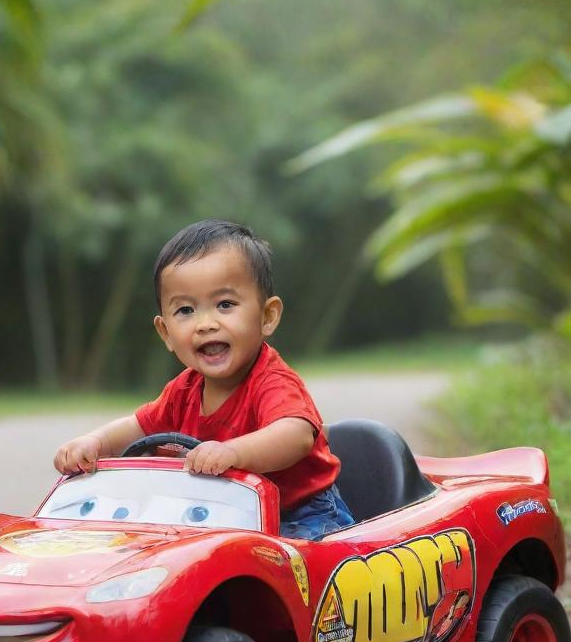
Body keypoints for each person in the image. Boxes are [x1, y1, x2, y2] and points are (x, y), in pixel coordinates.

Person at [53, 219, 355, 539]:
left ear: (267, 316)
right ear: (166, 332)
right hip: (223, 514)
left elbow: (295, 435)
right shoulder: (183, 390)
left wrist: (233, 454)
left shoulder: (272, 381)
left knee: (285, 561)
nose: (205, 323)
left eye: (224, 305)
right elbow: (138, 428)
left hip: (301, 513)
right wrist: (95, 442)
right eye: (185, 310)